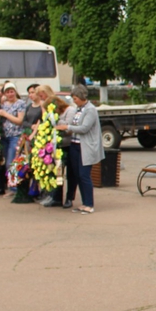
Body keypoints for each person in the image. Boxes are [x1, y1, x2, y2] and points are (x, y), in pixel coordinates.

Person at [56, 85, 103, 214]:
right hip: (74, 145)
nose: (74, 100)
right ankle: (84, 203)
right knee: (77, 175)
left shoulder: (91, 110)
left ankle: (89, 204)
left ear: (82, 97)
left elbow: (84, 128)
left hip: (86, 147)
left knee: (84, 175)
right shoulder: (78, 109)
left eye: (75, 98)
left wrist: (67, 127)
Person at [0, 83, 27, 189]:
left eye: (11, 91)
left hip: (15, 135)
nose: (10, 94)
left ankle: (14, 188)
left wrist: (6, 114)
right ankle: (9, 185)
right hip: (4, 136)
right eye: (7, 92)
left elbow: (20, 120)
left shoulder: (20, 103)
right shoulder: (3, 104)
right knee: (4, 161)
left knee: (11, 162)